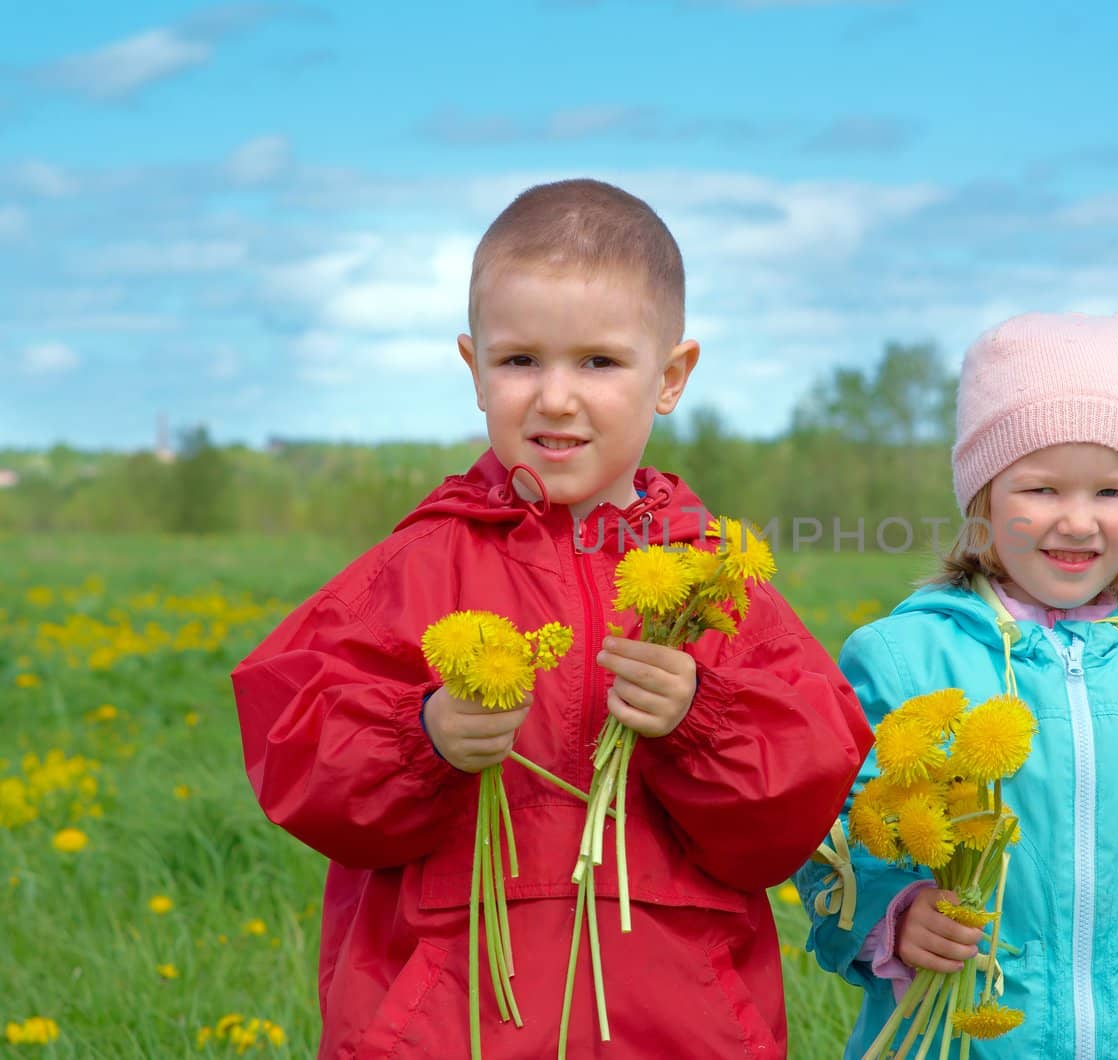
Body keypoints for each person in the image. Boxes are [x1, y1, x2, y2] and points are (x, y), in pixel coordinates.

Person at [234, 178, 872, 1059]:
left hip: (678, 1025)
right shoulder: (417, 568)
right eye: (521, 360)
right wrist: (422, 737)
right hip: (448, 1026)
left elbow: (806, 782)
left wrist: (702, 717)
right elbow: (292, 741)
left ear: (671, 378)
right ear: (474, 369)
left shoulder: (711, 583)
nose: (556, 397)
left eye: (599, 363)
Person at [796, 309, 1118, 1057]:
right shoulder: (902, 660)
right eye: (1040, 490)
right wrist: (897, 917)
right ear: (982, 498)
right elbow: (832, 844)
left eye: (1112, 492)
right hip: (960, 1040)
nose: (1077, 522)